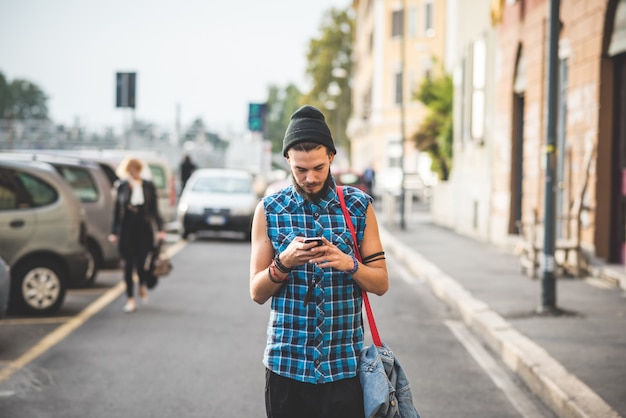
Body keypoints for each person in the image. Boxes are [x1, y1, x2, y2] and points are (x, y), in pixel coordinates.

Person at [249, 105, 389, 418]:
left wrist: (348, 263)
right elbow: (257, 292)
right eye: (300, 169)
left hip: (343, 371)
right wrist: (283, 262)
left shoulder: (357, 206)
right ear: (287, 160)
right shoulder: (269, 210)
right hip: (286, 369)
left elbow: (381, 283)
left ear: (331, 157)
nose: (310, 177)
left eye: (317, 167)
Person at [109, 157, 166, 313]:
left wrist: (160, 229)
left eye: (135, 169)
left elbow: (154, 210)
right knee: (128, 266)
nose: (132, 172)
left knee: (141, 263)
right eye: (130, 169)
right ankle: (130, 299)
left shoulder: (148, 186)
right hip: (127, 229)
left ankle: (141, 284)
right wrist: (114, 232)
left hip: (144, 229)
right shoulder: (122, 186)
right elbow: (116, 212)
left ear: (139, 170)